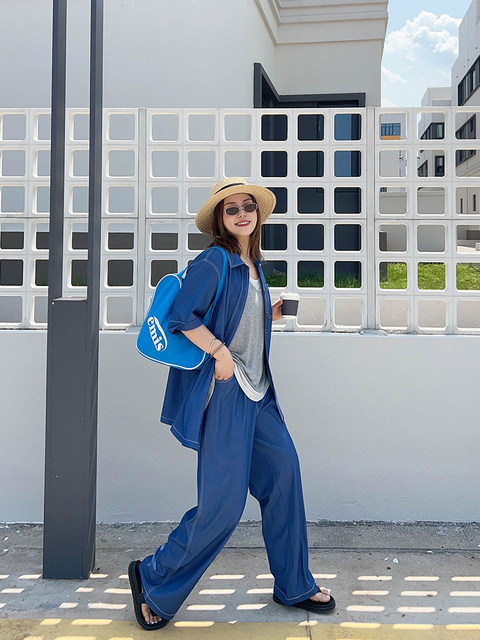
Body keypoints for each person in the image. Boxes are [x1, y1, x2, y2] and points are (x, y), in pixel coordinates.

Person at [128, 177, 336, 630]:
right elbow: (183, 317)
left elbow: (236, 316)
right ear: (220, 220)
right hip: (226, 393)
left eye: (248, 206)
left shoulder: (253, 264)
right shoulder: (214, 260)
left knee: (284, 478)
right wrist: (219, 354)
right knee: (222, 507)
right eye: (231, 209)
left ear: (257, 214)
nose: (242, 214)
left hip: (260, 393)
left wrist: (270, 313)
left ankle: (293, 584)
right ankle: (154, 576)